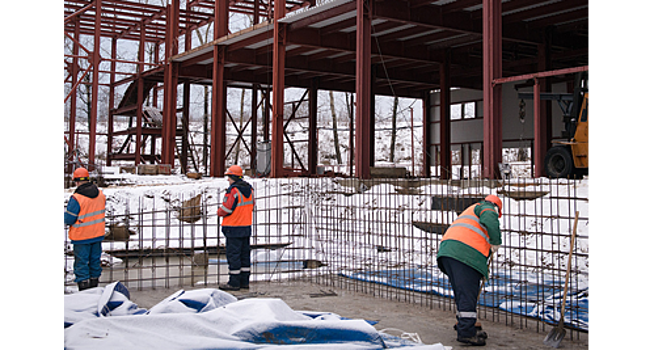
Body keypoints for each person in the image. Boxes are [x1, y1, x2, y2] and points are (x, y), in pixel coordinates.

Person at [436, 194, 503, 346]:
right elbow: (489, 219)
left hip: (448, 253)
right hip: (463, 255)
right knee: (467, 293)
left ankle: (465, 322)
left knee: (462, 292)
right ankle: (466, 332)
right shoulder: (487, 207)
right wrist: (496, 241)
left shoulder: (471, 210)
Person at [61, 167, 106, 291]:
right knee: (94, 263)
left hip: (81, 237)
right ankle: (94, 289)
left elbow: (69, 219)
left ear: (76, 181)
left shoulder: (77, 198)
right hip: (97, 235)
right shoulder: (100, 194)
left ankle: (84, 293)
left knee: (81, 265)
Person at [217, 165, 255, 291]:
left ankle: (234, 283)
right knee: (244, 255)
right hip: (246, 226)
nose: (227, 179)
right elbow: (252, 205)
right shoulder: (250, 190)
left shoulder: (233, 190)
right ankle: (244, 281)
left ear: (232, 176)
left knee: (234, 256)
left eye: (228, 176)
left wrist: (219, 212)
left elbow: (227, 208)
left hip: (233, 228)